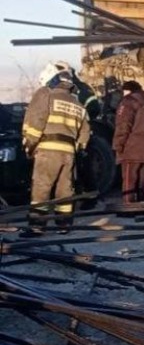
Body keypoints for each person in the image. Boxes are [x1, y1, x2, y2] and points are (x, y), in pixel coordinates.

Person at [22, 70, 90, 234]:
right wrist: (78, 150)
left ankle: (37, 226)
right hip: (69, 153)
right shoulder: (79, 105)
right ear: (71, 86)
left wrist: (28, 146)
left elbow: (36, 122)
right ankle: (64, 225)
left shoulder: (48, 96)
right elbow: (85, 134)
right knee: (64, 190)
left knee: (41, 188)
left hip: (48, 150)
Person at [113, 80, 144, 203]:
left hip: (131, 148)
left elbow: (123, 124)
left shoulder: (128, 101)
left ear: (128, 90)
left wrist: (118, 144)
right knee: (143, 178)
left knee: (129, 179)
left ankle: (129, 206)